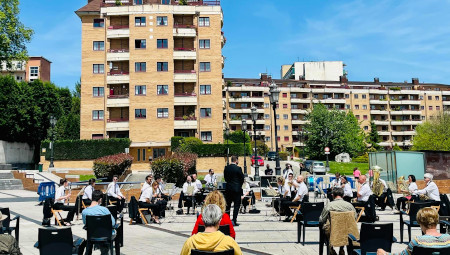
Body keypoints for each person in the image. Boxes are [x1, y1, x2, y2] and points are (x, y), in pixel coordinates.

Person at [377, 207, 450, 255]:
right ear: (437, 221)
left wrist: (384, 253)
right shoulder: (448, 239)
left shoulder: (417, 241)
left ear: (420, 222)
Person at [319, 187, 357, 255]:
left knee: (325, 228)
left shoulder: (329, 205)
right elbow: (355, 218)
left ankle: (331, 249)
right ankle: (341, 249)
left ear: (333, 195)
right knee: (344, 229)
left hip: (333, 231)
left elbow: (321, 219)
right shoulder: (349, 205)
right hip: (347, 232)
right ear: (343, 195)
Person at [82, 190, 115, 255]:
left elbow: (85, 223)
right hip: (105, 236)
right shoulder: (104, 209)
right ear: (100, 199)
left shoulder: (84, 211)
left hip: (92, 235)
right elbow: (113, 223)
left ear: (92, 198)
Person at [224, 155, 245, 226]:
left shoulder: (226, 168)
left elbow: (225, 178)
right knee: (236, 205)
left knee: (228, 205)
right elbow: (242, 178)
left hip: (229, 189)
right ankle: (234, 220)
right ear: (236, 160)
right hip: (236, 189)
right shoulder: (238, 168)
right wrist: (239, 185)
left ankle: (227, 220)